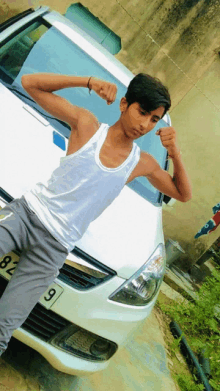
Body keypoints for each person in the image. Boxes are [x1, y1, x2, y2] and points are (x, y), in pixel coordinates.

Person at [0, 73, 192, 355]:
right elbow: (30, 84)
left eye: (153, 119)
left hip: (54, 249)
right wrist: (87, 82)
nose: (144, 124)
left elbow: (182, 193)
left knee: (4, 327)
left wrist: (175, 153)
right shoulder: (87, 125)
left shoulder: (142, 163)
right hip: (26, 215)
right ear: (124, 104)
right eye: (142, 112)